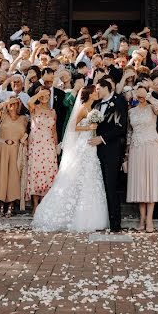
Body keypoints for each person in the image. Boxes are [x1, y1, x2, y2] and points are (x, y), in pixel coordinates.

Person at [32, 86, 110, 232]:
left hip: (91, 146)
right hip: (83, 145)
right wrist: (89, 128)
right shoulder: (82, 109)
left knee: (90, 177)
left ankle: (89, 215)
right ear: (90, 94)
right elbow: (73, 127)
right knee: (78, 176)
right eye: (95, 91)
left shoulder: (93, 108)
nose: (97, 93)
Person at [90, 77, 129, 232]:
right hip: (97, 151)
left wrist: (102, 138)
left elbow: (121, 127)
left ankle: (115, 224)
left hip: (112, 149)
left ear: (106, 87)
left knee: (111, 185)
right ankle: (101, 220)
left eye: (98, 89)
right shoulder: (97, 105)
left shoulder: (119, 102)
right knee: (100, 185)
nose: (96, 92)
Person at [125, 86, 158, 232]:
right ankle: (142, 218)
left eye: (142, 91)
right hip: (136, 147)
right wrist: (127, 153)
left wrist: (148, 96)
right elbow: (129, 133)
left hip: (151, 146)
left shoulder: (152, 108)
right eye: (137, 91)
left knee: (151, 181)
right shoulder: (131, 111)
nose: (139, 94)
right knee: (140, 183)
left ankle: (149, 219)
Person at [0, 95, 28, 217]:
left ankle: (11, 204)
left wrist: (25, 139)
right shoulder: (2, 116)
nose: (12, 104)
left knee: (14, 176)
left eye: (15, 102)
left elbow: (27, 132)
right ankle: (1, 205)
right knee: (1, 176)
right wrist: (5, 102)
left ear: (19, 105)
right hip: (1, 148)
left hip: (16, 149)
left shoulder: (23, 119)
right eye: (10, 102)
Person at [25, 87, 59, 214]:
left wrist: (56, 147)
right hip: (36, 145)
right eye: (43, 94)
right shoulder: (34, 107)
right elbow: (29, 102)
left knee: (48, 173)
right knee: (36, 173)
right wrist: (40, 93)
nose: (45, 96)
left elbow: (54, 131)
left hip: (49, 145)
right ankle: (35, 205)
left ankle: (44, 205)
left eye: (48, 94)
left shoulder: (52, 111)